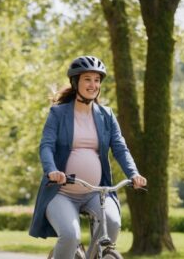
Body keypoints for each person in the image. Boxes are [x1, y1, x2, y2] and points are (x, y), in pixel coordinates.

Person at [29, 56, 147, 259]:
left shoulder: (106, 115)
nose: (93, 85)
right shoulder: (58, 114)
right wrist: (52, 171)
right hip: (62, 192)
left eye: (97, 80)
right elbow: (46, 146)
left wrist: (134, 173)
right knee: (70, 235)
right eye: (87, 79)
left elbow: (120, 148)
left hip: (96, 192)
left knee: (113, 223)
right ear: (76, 83)